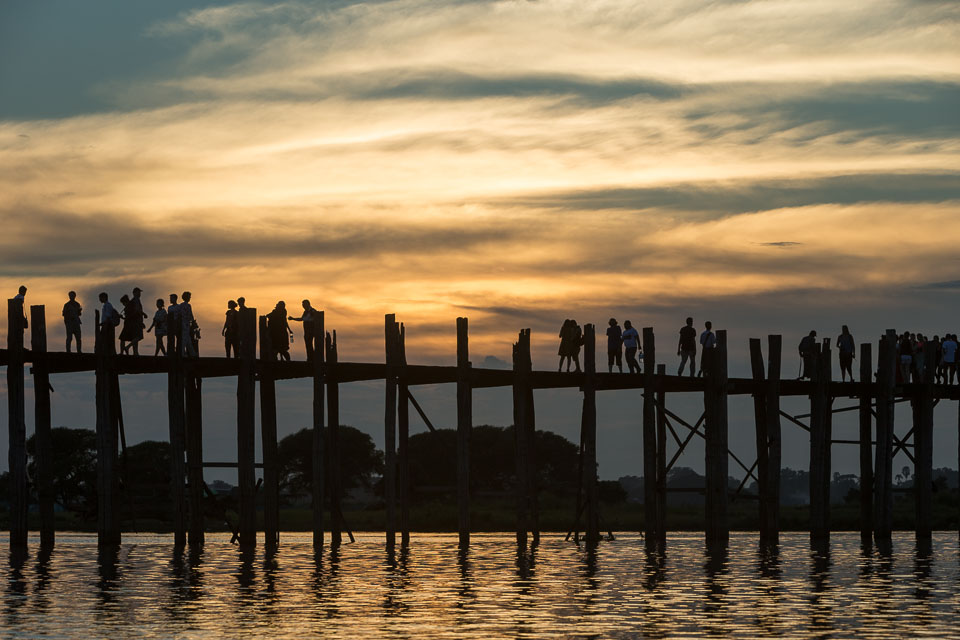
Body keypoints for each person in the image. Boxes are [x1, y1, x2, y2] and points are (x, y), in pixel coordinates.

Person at [179, 291, 198, 357]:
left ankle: (191, 353)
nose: (190, 298)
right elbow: (190, 315)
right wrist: (194, 322)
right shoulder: (188, 305)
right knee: (185, 339)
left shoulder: (180, 305)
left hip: (183, 323)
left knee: (187, 339)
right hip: (186, 324)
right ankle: (183, 353)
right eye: (189, 297)